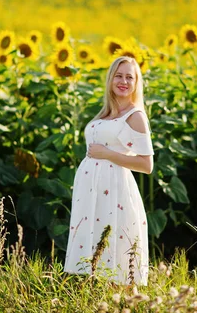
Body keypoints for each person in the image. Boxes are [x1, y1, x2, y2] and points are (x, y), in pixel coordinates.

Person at [64, 56, 154, 286]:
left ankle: (121, 303)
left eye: (129, 77)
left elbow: (146, 164)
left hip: (115, 191)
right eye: (119, 75)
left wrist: (107, 154)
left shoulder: (135, 116)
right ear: (111, 79)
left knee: (114, 249)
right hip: (92, 191)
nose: (123, 81)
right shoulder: (107, 112)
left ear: (136, 83)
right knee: (94, 252)